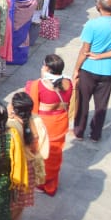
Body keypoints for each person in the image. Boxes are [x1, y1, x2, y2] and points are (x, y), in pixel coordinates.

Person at [72, 0, 111, 142]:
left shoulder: (92, 25)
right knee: (101, 105)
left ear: (98, 7)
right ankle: (96, 134)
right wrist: (103, 56)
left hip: (89, 69)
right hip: (108, 70)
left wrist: (77, 69)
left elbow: (85, 51)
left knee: (83, 102)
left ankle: (79, 131)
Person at [25, 54, 73, 194]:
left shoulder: (38, 85)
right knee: (55, 154)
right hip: (61, 122)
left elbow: (32, 111)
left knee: (41, 153)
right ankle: (51, 183)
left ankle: (40, 182)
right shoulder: (68, 83)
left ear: (47, 68)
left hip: (45, 125)